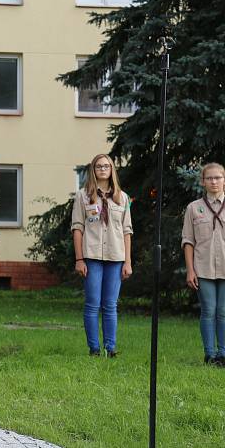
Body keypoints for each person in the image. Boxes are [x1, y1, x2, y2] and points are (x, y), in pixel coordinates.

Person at [71, 153, 133, 358]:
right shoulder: (83, 196)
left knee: (110, 304)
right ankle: (94, 349)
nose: (103, 169)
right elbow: (77, 228)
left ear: (112, 170)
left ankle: (111, 347)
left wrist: (128, 262)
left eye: (106, 166)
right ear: (93, 170)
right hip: (92, 256)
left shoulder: (121, 197)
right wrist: (79, 259)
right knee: (92, 303)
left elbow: (127, 230)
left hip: (116, 257)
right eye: (99, 166)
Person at [182, 162, 225, 366]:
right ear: (203, 182)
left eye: (218, 177)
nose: (214, 181)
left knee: (223, 311)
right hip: (203, 268)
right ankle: (210, 354)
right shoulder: (193, 208)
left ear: (224, 180)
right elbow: (188, 241)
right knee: (208, 310)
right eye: (209, 178)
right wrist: (190, 270)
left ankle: (223, 354)